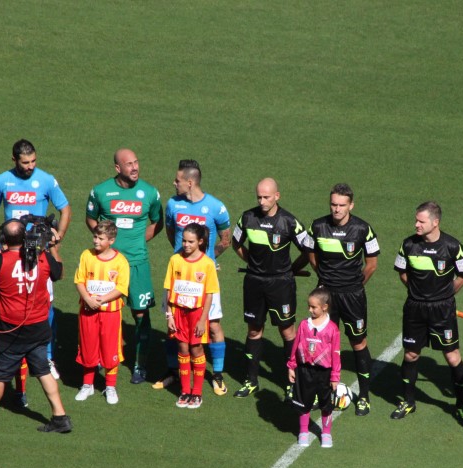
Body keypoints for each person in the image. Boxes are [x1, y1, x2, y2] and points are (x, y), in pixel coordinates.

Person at [0, 219, 72, 434]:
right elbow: (57, 273)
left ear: (4, 239)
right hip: (38, 327)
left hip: (9, 331)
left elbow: (3, 260)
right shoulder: (43, 257)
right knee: (43, 371)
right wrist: (52, 246)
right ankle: (60, 416)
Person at [0, 139, 71, 379]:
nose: (30, 166)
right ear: (14, 160)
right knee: (6, 297)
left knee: (45, 301)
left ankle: (47, 356)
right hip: (11, 248)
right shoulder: (1, 181)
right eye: (25, 162)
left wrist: (58, 237)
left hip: (37, 248)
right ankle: (4, 347)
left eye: (33, 161)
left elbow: (65, 209)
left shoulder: (46, 180)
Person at [85, 148, 162, 384]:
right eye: (129, 164)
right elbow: (91, 218)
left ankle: (140, 364)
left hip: (137, 263)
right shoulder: (100, 191)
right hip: (108, 264)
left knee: (140, 314)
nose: (135, 167)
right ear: (118, 168)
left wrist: (140, 241)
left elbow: (157, 221)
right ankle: (101, 357)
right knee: (101, 311)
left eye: (136, 162)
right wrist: (104, 244)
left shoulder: (150, 193)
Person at [302, 183, 379, 416]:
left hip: (353, 296)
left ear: (351, 205)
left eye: (342, 205)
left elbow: (371, 264)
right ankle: (322, 392)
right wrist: (324, 279)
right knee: (322, 343)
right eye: (333, 204)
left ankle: (364, 396)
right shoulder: (317, 226)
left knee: (358, 343)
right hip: (326, 295)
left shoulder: (363, 229)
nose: (336, 209)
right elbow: (310, 254)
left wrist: (354, 285)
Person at [393, 201, 463, 423]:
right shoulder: (408, 245)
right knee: (411, 354)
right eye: (416, 220)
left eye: (421, 221)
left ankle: (461, 404)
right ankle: (408, 401)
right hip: (415, 308)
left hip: (442, 310)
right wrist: (417, 292)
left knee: (452, 356)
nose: (416, 224)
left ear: (435, 222)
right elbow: (402, 273)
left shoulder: (453, 246)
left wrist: (444, 295)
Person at [232, 177, 309, 398]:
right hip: (254, 283)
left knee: (287, 331)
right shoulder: (247, 217)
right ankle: (251, 380)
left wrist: (292, 269)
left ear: (277, 196)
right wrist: (252, 263)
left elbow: (308, 249)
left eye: (266, 197)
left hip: (281, 284)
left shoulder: (289, 221)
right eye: (259, 197)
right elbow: (236, 243)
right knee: (254, 330)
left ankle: (291, 382)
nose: (262, 201)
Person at [159, 159, 231, 394]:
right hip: (179, 277)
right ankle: (173, 371)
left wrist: (207, 261)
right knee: (173, 325)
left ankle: (217, 374)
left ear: (190, 182)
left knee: (213, 325)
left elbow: (226, 240)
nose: (174, 183)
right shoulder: (173, 204)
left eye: (178, 180)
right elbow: (171, 233)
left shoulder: (216, 207)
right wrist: (183, 260)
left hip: (203, 279)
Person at [163, 223, 220, 409]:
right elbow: (169, 290)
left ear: (200, 242)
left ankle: (197, 393)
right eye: (184, 241)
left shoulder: (207, 264)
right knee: (182, 348)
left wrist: (203, 320)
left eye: (190, 242)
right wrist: (169, 316)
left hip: (197, 314)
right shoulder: (175, 260)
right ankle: (185, 391)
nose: (186, 245)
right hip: (178, 313)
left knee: (196, 349)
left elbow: (209, 295)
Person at [74, 220, 130, 404]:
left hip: (111, 313)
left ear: (111, 240)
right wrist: (88, 299)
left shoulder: (121, 261)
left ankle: (110, 386)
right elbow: (79, 281)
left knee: (110, 348)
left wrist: (101, 300)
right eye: (95, 237)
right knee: (88, 346)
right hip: (88, 311)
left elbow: (121, 288)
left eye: (100, 238)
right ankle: (87, 385)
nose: (96, 241)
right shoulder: (86, 255)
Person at [287, 288, 341, 448]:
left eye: (313, 307)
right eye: (309, 306)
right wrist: (291, 366)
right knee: (303, 402)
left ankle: (326, 433)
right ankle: (303, 431)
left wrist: (335, 376)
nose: (310, 310)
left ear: (324, 307)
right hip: (304, 370)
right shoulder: (304, 325)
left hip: (324, 373)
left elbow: (336, 353)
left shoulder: (332, 329)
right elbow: (295, 346)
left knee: (326, 404)